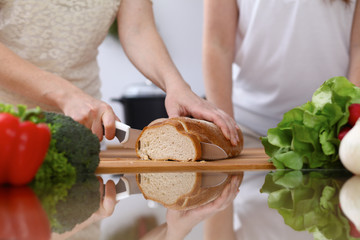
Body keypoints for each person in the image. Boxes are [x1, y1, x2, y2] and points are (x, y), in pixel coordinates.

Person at [202, 0, 360, 239]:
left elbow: (358, 45)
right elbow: (217, 44)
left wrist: (350, 122)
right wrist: (225, 132)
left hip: (332, 136)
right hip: (248, 131)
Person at [0, 0, 240, 145]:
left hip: (85, 132)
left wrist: (177, 86)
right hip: (7, 128)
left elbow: (137, 29)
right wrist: (64, 94)